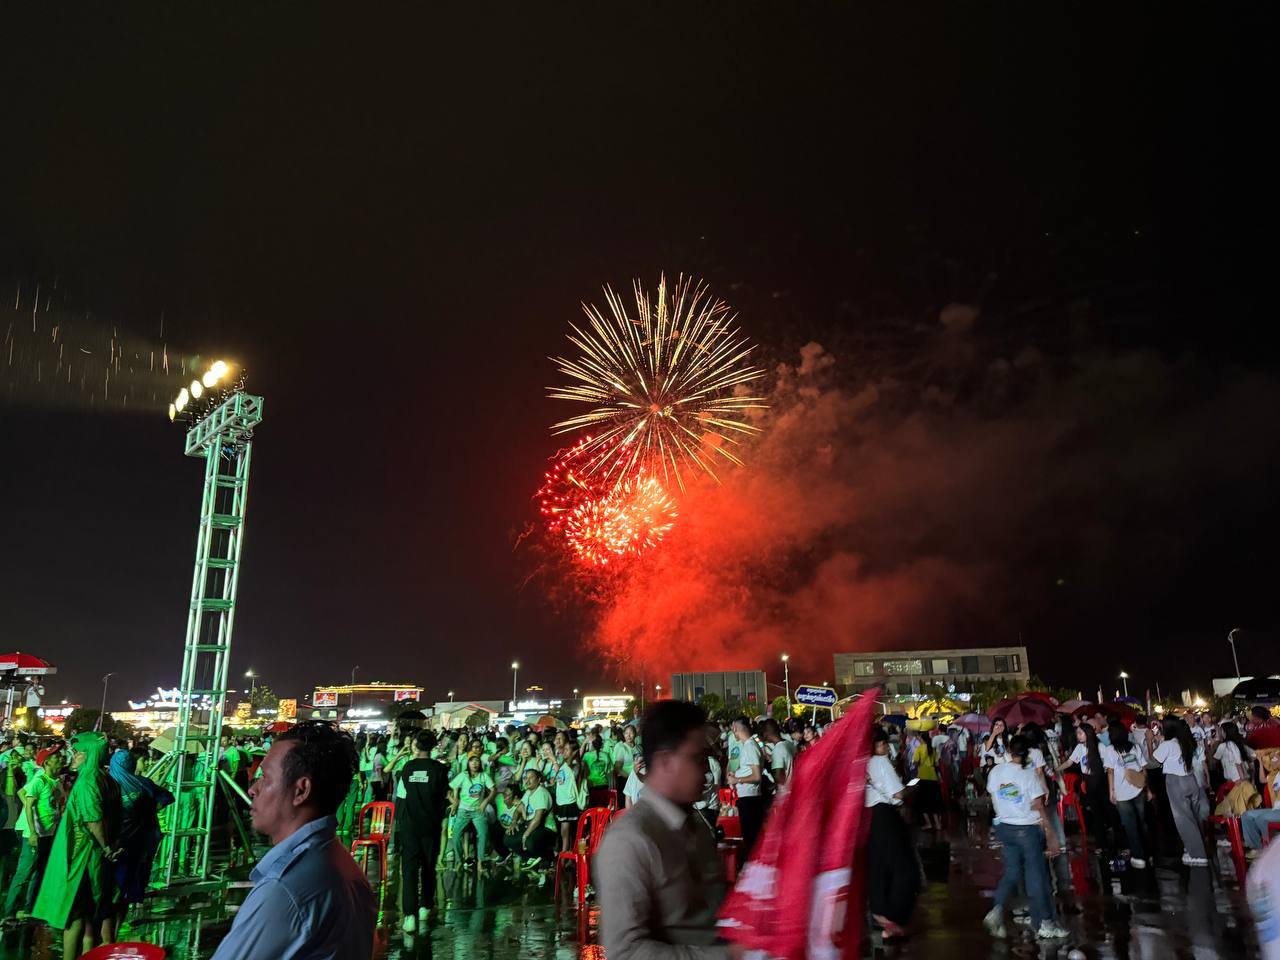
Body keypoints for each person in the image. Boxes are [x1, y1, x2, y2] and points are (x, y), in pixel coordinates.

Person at [210, 721, 373, 960]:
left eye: (265, 778)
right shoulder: (342, 866)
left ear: (301, 790)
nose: (253, 789)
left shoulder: (285, 889)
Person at [596, 700, 730, 959]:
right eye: (698, 758)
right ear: (665, 761)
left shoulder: (696, 825)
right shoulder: (630, 841)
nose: (706, 769)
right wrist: (726, 956)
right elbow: (626, 952)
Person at [32, 731, 123, 960]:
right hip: (96, 857)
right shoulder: (107, 779)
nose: (74, 757)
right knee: (91, 917)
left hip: (82, 858)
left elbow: (93, 820)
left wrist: (106, 846)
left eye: (79, 753)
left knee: (74, 918)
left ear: (90, 754)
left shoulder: (87, 782)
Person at [982, 735, 1068, 941]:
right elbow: (1038, 806)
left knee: (1012, 872)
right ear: (1027, 753)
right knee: (1037, 877)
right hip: (1027, 829)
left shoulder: (996, 772)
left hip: (1005, 827)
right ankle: (1045, 923)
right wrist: (1051, 833)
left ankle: (996, 909)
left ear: (1010, 750)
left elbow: (993, 795)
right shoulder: (1028, 775)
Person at [865, 727, 918, 940]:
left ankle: (880, 914)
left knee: (879, 867)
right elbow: (898, 794)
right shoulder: (879, 762)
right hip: (884, 816)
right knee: (905, 868)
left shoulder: (860, 764)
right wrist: (912, 788)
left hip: (869, 818)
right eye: (882, 743)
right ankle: (894, 917)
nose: (887, 747)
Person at [108, 748, 174, 918]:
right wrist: (152, 808)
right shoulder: (143, 784)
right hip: (140, 841)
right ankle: (121, 922)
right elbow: (167, 796)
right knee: (130, 883)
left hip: (116, 842)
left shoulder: (108, 785)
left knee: (113, 889)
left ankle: (111, 929)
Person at [394, 730, 449, 933]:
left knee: (409, 869)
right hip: (430, 824)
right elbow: (443, 798)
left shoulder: (408, 767)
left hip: (409, 824)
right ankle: (425, 906)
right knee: (428, 865)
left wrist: (400, 823)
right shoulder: (440, 769)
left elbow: (401, 797)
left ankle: (409, 916)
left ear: (416, 745)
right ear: (433, 746)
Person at [3, 747, 64, 921]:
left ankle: (29, 909)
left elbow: (24, 793)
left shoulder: (55, 781)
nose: (61, 759)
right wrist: (32, 832)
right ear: (47, 763)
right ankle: (8, 914)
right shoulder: (40, 780)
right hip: (35, 835)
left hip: (47, 835)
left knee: (38, 872)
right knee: (23, 873)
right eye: (57, 757)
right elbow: (27, 803)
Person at [1153, 716, 1209, 866]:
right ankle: (1195, 848)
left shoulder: (1169, 744)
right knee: (1195, 816)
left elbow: (1155, 759)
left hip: (1175, 781)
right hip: (1190, 779)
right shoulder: (1186, 741)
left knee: (1183, 819)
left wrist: (1155, 741)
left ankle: (1197, 854)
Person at [1103, 721, 1150, 868]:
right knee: (1142, 821)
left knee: (1130, 825)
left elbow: (1110, 772)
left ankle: (1139, 857)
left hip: (1122, 793)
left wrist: (1111, 791)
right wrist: (1147, 788)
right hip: (1138, 789)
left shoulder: (1109, 750)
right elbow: (1143, 769)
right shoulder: (1135, 747)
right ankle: (1148, 853)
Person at [448, 753, 495, 869]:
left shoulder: (483, 776)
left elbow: (494, 789)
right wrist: (455, 801)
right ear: (468, 764)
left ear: (480, 764)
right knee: (455, 836)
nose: (475, 764)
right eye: (472, 761)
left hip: (478, 811)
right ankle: (459, 860)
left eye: (477, 761)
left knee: (483, 834)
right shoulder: (463, 775)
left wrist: (485, 801)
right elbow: (453, 787)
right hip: (463, 810)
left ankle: (480, 861)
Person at [726, 717, 765, 857]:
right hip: (747, 798)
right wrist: (736, 774)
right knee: (750, 838)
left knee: (751, 840)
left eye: (732, 729)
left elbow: (757, 776)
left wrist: (737, 779)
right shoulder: (748, 745)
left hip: (750, 799)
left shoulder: (750, 746)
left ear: (735, 728)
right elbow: (750, 771)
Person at [512, 769, 557, 871]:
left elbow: (537, 819)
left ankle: (548, 857)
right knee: (509, 838)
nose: (527, 780)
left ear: (539, 779)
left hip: (545, 828)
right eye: (526, 778)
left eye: (531, 777)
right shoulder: (528, 792)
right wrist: (514, 822)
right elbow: (518, 810)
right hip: (531, 825)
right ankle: (529, 857)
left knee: (528, 841)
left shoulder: (541, 793)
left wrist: (525, 834)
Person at [553, 740, 584, 853]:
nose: (564, 752)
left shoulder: (576, 766)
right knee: (566, 831)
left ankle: (565, 853)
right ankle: (567, 853)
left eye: (567, 750)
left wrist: (553, 759)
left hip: (569, 802)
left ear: (574, 752)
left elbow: (572, 774)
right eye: (564, 749)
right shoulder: (563, 764)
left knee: (566, 830)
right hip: (561, 801)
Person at [911, 733, 943, 831]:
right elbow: (937, 764)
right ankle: (938, 824)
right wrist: (939, 777)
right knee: (934, 801)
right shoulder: (932, 749)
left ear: (921, 738)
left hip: (923, 777)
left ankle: (929, 823)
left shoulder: (919, 749)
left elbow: (915, 763)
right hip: (933, 778)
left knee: (923, 802)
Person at [760, 720, 796, 797]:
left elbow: (778, 777)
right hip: (794, 788)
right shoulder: (789, 743)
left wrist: (771, 784)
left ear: (766, 733)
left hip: (785, 793)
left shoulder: (777, 749)